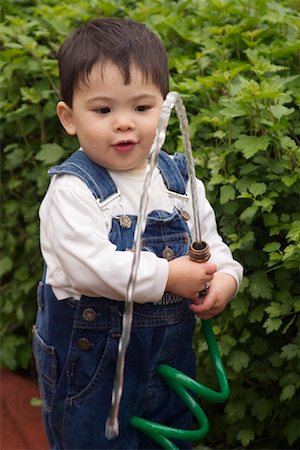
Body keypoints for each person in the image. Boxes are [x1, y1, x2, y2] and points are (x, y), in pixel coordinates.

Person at [33, 17, 243, 450]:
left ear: (164, 108)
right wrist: (168, 277)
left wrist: (225, 276)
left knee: (168, 439)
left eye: (142, 108)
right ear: (69, 118)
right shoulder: (73, 190)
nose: (124, 123)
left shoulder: (178, 179)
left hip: (169, 361)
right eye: (104, 110)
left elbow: (210, 242)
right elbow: (93, 267)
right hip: (93, 369)